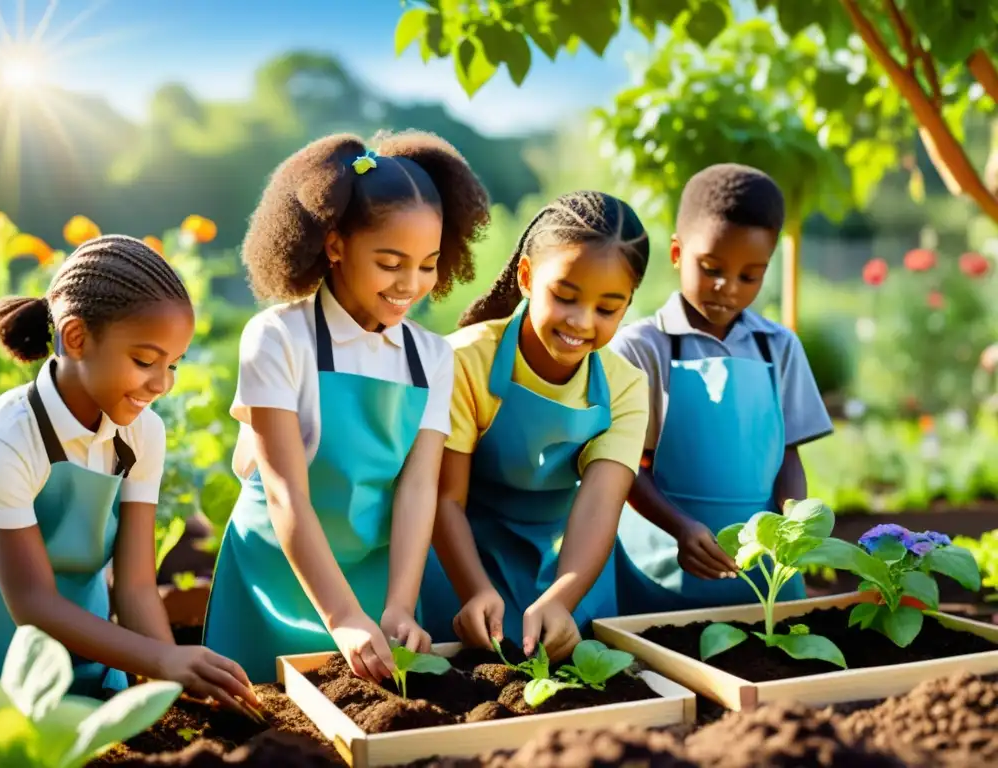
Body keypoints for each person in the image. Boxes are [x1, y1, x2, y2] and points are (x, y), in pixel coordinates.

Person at [203, 131, 491, 683]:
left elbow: (417, 487)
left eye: (428, 264)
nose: (411, 285)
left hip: (379, 579)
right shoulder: (277, 337)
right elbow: (286, 492)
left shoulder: (432, 356)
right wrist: (341, 616)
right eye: (390, 262)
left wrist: (399, 606)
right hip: (277, 573)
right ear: (335, 244)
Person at [0, 235, 260, 715]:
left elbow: (135, 587)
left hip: (93, 658)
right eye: (145, 361)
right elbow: (32, 603)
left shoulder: (140, 434)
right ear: (76, 338)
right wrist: (163, 658)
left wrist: (171, 684)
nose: (163, 383)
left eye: (173, 364)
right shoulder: (2, 441)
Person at [420, 191, 651, 660]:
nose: (582, 322)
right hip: (463, 556)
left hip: (573, 563)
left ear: (627, 305)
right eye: (565, 297)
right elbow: (444, 497)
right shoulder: (464, 361)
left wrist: (562, 599)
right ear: (526, 277)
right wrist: (475, 591)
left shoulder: (626, 386)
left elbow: (601, 506)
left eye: (608, 309)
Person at [611, 164, 834, 613]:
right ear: (677, 253)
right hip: (663, 570)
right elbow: (623, 466)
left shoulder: (778, 346)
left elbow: (788, 454)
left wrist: (791, 524)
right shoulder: (640, 348)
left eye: (749, 276)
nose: (727, 288)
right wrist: (680, 527)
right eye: (711, 268)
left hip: (766, 574)